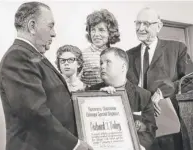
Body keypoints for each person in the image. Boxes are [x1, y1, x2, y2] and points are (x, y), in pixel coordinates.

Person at [0, 2, 92, 150]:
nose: (54, 33)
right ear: (32, 26)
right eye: (50, 26)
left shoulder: (30, 55)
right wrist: (75, 145)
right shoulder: (18, 57)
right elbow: (35, 113)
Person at [126, 7, 192, 150]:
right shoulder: (128, 55)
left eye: (146, 24)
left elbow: (189, 80)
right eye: (138, 23)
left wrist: (162, 92)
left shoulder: (177, 48)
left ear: (159, 26)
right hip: (141, 127)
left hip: (169, 123)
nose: (141, 28)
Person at [87, 47, 157, 150]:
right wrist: (99, 99)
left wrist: (139, 147)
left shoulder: (143, 95)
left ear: (123, 67)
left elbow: (149, 128)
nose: (102, 66)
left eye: (108, 62)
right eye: (101, 63)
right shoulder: (91, 92)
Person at [80, 9, 120, 86]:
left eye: (101, 30)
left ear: (110, 32)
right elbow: (75, 82)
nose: (96, 34)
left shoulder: (116, 55)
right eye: (93, 30)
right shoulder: (83, 55)